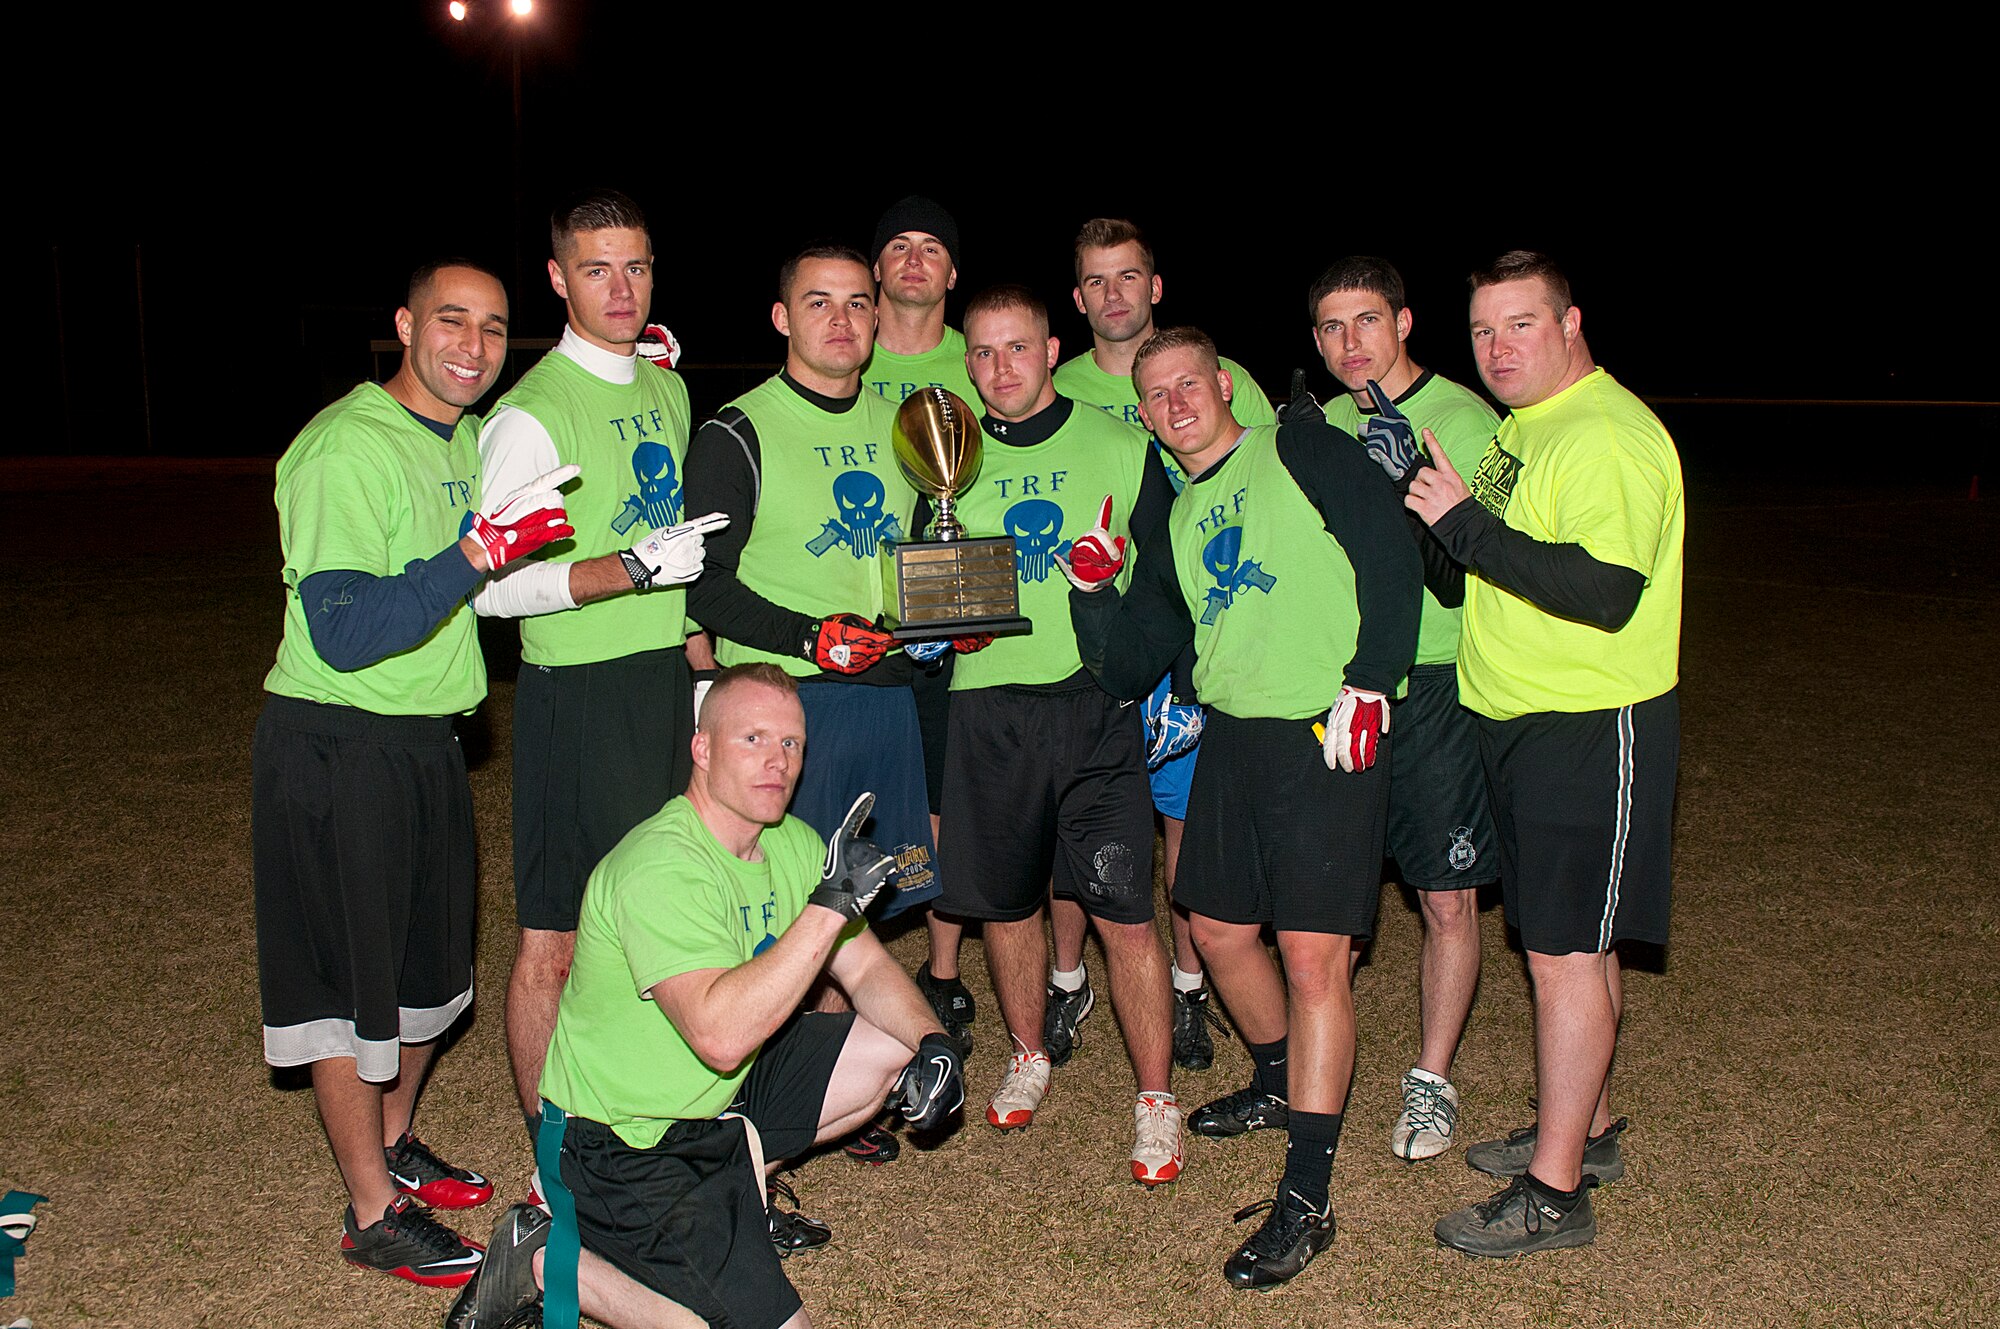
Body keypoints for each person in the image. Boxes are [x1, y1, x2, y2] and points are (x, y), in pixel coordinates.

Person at [447, 664, 964, 1329]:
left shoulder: (793, 844)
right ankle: (543, 1254)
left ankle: (736, 1184)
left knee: (895, 1039)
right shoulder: (661, 865)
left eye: (791, 743)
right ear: (703, 747)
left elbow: (866, 970)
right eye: (753, 738)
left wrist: (934, 1043)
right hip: (621, 1141)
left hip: (718, 1097)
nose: (778, 760)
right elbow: (718, 1037)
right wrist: (829, 907)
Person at [1067, 326, 1420, 1288]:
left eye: (1190, 383)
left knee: (1313, 959)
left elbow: (1390, 551)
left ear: (1224, 386)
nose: (1175, 403)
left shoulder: (1296, 445)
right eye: (1155, 394)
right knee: (1215, 926)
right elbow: (1137, 660)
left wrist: (1372, 681)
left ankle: (1306, 1198)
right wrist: (1095, 589)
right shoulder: (1179, 517)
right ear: (1141, 413)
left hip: (1324, 725)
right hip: (1234, 737)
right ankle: (1275, 1077)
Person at [254, 259, 581, 1286]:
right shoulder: (343, 447)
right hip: (337, 742)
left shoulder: (469, 437)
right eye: (450, 321)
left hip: (425, 741)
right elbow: (348, 634)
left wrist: (625, 359)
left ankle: (393, 1145)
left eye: (492, 328)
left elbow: (538, 441)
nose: (472, 346)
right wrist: (473, 556)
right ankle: (368, 1212)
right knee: (354, 985)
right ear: (404, 325)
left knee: (429, 973)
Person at [1404, 251, 1683, 1256]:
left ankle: (1555, 1191)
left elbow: (1605, 591)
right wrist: (1435, 519)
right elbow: (1464, 566)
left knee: (1563, 956)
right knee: (1572, 941)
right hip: (1516, 720)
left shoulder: (1605, 434)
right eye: (1480, 331)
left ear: (1570, 324)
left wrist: (1465, 528)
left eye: (1519, 326)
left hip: (1586, 723)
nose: (1496, 349)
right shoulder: (1520, 432)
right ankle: (1588, 1126)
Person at [683, 244, 945, 1162]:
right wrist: (808, 637)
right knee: (784, 916)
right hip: (790, 707)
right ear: (781, 317)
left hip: (883, 700)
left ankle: (834, 1088)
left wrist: (947, 620)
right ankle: (749, 1117)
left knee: (859, 909)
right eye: (818, 302)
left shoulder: (909, 422)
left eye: (858, 303)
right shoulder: (738, 430)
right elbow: (704, 587)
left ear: (878, 319)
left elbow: (923, 549)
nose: (841, 320)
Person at [477, 188, 722, 1142]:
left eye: (637, 267)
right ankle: (557, 1157)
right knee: (559, 934)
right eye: (595, 269)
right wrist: (622, 570)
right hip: (578, 695)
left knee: (664, 916)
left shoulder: (666, 387)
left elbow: (680, 547)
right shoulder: (531, 414)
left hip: (664, 682)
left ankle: (664, 1129)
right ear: (558, 279)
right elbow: (491, 588)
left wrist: (699, 664)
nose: (620, 289)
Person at [938, 285, 1183, 1184]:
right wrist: (933, 629)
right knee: (1007, 904)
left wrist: (1166, 680)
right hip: (987, 704)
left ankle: (1155, 1099)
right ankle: (1029, 1051)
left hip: (1091, 708)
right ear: (967, 362)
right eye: (983, 353)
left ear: (1051, 350)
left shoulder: (1124, 445)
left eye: (1017, 348)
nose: (1000, 368)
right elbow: (924, 574)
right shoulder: (943, 456)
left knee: (1124, 911)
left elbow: (1164, 581)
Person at [1044, 218, 1277, 1074]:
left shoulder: (1224, 378)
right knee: (1079, 812)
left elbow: (1275, 478)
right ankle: (1069, 981)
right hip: (1094, 629)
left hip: (1194, 626)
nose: (1114, 294)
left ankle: (1187, 986)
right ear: (1078, 298)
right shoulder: (1054, 381)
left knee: (1182, 814)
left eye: (1128, 276)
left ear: (1156, 286)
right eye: (1097, 281)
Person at [1309, 256, 1501, 1161]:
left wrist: (1415, 494)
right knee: (1330, 891)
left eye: (1366, 322)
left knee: (1445, 893)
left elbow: (1470, 579)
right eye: (1330, 327)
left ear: (1405, 321)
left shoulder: (1463, 418)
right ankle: (1309, 1073)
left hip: (1432, 681)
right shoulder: (1319, 425)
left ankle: (1431, 1081)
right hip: (1343, 677)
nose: (1350, 344)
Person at [858, 195, 981, 1061]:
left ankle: (942, 970)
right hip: (857, 620)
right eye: (897, 245)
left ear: (952, 272)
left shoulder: (976, 366)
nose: (912, 259)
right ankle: (844, 968)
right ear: (875, 267)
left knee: (944, 800)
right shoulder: (844, 355)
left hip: (950, 617)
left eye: (931, 246)